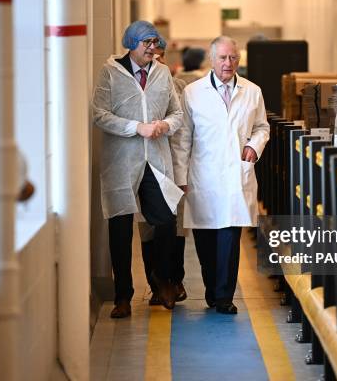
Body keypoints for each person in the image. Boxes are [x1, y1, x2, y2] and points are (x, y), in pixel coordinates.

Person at [92, 21, 183, 318]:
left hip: (155, 160)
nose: (153, 49)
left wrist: (164, 125)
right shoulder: (110, 73)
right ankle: (123, 297)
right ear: (131, 43)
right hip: (122, 161)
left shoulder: (162, 72)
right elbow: (99, 114)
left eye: (155, 43)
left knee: (166, 221)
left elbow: (177, 112)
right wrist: (136, 128)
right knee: (119, 230)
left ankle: (163, 280)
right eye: (147, 43)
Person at [172, 36, 270, 314]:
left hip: (235, 176)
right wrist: (181, 175)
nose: (228, 63)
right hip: (202, 175)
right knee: (205, 241)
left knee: (229, 234)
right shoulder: (193, 92)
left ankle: (224, 297)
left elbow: (263, 127)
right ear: (211, 59)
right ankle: (212, 291)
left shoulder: (252, 91)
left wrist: (254, 145)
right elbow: (183, 139)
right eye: (223, 58)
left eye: (233, 58)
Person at [138, 37, 188, 305]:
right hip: (144, 167)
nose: (153, 61)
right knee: (148, 227)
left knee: (175, 227)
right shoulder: (135, 85)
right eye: (149, 56)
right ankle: (155, 284)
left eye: (158, 57)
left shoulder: (177, 86)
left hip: (170, 165)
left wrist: (182, 173)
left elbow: (184, 133)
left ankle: (174, 279)